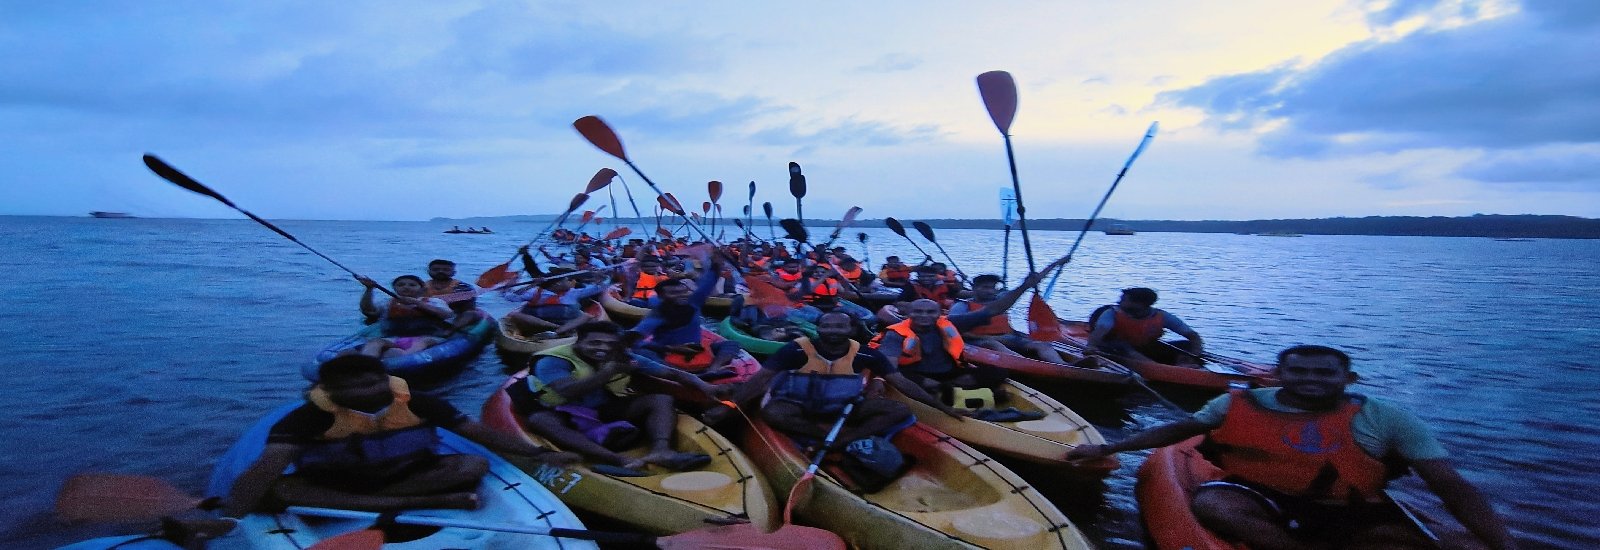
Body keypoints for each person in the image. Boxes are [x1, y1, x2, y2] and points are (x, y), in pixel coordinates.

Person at [1066, 345, 1517, 550]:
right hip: (1260, 495)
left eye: (1325, 374)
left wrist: (1499, 541)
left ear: (1349, 380)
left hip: (1349, 505)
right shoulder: (1237, 402)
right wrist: (1111, 447)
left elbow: (1449, 485)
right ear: (1278, 375)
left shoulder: (1387, 417)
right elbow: (1176, 430)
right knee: (1216, 504)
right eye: (1299, 372)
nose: (1311, 380)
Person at [223, 355, 579, 516]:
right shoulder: (308, 417)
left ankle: (386, 503)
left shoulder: (419, 402)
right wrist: (231, 515)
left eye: (372, 382)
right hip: (339, 482)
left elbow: (477, 433)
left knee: (473, 464)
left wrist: (538, 455)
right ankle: (427, 504)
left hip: (406, 475)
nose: (366, 391)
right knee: (279, 489)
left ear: (385, 378)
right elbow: (268, 466)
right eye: (351, 387)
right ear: (328, 390)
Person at [704, 311, 963, 445]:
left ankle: (844, 438)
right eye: (827, 326)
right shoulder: (795, 350)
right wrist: (729, 409)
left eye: (840, 327)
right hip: (798, 406)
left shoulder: (866, 354)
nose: (833, 331)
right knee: (774, 413)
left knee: (898, 410)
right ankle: (819, 435)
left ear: (850, 329)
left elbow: (903, 383)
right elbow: (759, 381)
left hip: (843, 408)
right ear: (818, 329)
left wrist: (941, 407)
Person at [507, 322, 719, 471]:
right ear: (578, 342)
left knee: (661, 399)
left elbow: (672, 373)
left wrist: (703, 386)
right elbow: (568, 391)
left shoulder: (622, 357)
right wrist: (608, 371)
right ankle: (617, 460)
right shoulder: (553, 361)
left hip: (601, 407)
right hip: (559, 409)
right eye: (595, 343)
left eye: (610, 344)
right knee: (540, 421)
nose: (603, 348)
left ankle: (662, 450)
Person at [871, 259, 1064, 404]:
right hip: (920, 374)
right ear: (909, 313)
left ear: (939, 314)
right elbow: (889, 368)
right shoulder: (897, 334)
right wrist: (880, 380)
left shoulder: (951, 323)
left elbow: (995, 309)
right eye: (918, 312)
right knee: (920, 381)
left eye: (930, 312)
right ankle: (958, 396)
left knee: (998, 372)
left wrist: (1025, 286)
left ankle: (953, 391)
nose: (924, 316)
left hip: (950, 374)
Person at [630, 257, 747, 380]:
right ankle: (677, 375)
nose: (681, 296)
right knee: (642, 352)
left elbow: (708, 282)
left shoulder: (693, 303)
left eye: (683, 292)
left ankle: (713, 370)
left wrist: (716, 264)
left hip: (696, 350)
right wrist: (671, 348)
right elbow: (635, 339)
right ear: (662, 297)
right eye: (673, 293)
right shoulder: (658, 314)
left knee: (732, 344)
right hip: (667, 352)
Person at [950, 274, 1079, 365]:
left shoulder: (1000, 304)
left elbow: (1008, 326)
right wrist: (990, 338)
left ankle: (1063, 365)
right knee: (995, 345)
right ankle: (1028, 365)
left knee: (1041, 345)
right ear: (974, 289)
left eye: (992, 287)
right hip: (980, 341)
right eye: (985, 287)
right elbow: (956, 331)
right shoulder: (962, 306)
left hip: (1007, 337)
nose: (990, 291)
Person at [1086, 287, 1205, 365]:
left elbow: (1193, 336)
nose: (1119, 302)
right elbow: (1098, 333)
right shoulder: (1112, 313)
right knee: (1124, 347)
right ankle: (1157, 368)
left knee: (1186, 345)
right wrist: (1091, 346)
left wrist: (1194, 354)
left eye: (1124, 300)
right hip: (1115, 347)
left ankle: (1185, 365)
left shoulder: (1161, 316)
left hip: (1144, 347)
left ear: (1140, 304)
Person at [357, 275, 452, 356]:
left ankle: (405, 359)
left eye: (412, 285)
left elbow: (446, 315)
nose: (406, 287)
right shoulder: (387, 303)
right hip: (394, 337)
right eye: (401, 285)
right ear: (394, 288)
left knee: (423, 342)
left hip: (429, 337)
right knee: (375, 342)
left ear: (422, 289)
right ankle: (367, 364)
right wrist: (369, 289)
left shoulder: (434, 302)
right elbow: (368, 311)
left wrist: (417, 303)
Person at [503, 268, 606, 338]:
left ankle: (558, 332)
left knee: (588, 316)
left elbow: (599, 288)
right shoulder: (535, 292)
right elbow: (511, 297)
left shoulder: (573, 293)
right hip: (540, 325)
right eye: (568, 280)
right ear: (558, 283)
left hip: (567, 324)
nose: (572, 282)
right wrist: (531, 285)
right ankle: (556, 329)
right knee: (514, 315)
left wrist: (599, 278)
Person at [424, 259, 484, 330]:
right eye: (436, 269)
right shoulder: (422, 286)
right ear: (428, 272)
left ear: (453, 272)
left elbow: (469, 307)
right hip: (429, 314)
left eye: (446, 270)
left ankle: (452, 330)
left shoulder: (463, 287)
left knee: (470, 313)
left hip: (456, 315)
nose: (440, 271)